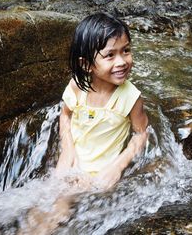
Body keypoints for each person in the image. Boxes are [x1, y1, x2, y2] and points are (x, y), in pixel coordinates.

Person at [55, 12, 149, 190]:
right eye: (110, 55)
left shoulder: (131, 98)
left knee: (61, 206)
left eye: (126, 51)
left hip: (101, 176)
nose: (122, 61)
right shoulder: (77, 87)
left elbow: (141, 134)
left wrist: (118, 166)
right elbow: (65, 115)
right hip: (71, 165)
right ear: (86, 65)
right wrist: (67, 151)